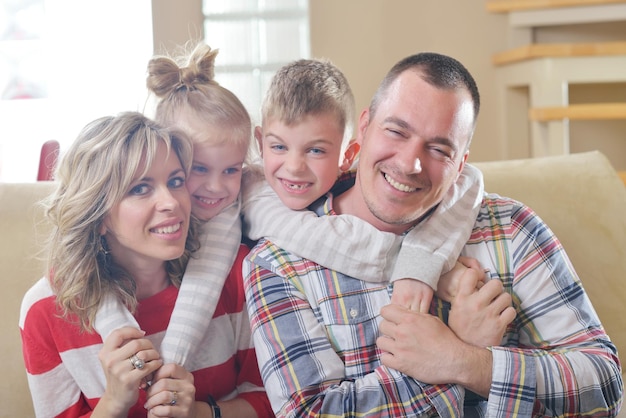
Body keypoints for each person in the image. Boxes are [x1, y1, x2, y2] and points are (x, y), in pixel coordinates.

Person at [242, 52, 623, 417]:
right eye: (396, 131)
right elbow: (311, 412)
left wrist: (468, 362)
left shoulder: (509, 228)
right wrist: (454, 356)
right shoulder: (278, 264)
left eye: (439, 149)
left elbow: (604, 387)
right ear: (364, 127)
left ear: (461, 164)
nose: (409, 164)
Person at [90, 43, 273, 417]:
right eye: (197, 170)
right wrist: (112, 403)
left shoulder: (245, 262)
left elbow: (272, 398)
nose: (216, 188)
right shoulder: (55, 302)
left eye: (231, 170)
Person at [242, 57, 485, 312]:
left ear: (348, 154)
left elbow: (470, 179)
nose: (294, 166)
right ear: (260, 143)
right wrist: (423, 269)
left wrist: (423, 264)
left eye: (315, 150)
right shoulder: (252, 198)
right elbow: (329, 241)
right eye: (278, 146)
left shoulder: (361, 174)